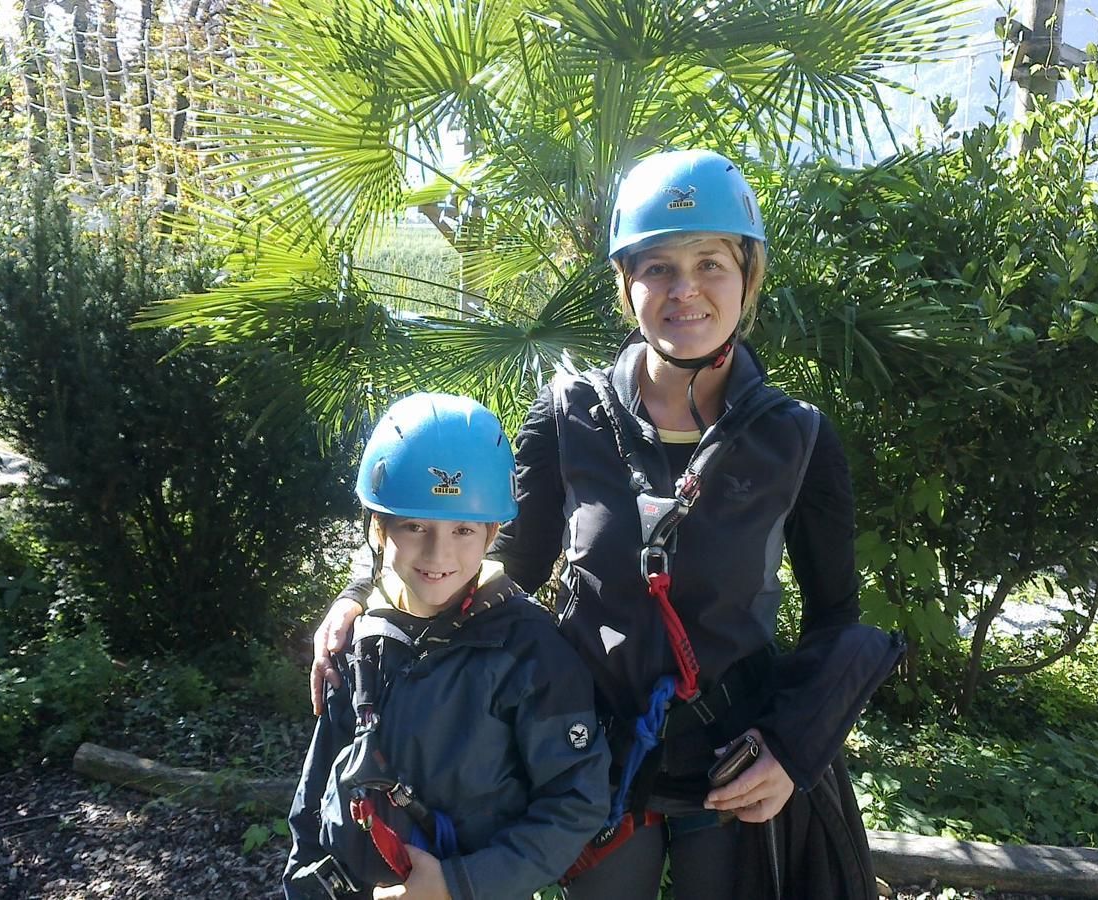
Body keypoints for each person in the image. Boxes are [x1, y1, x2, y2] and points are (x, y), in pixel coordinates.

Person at [312, 150, 903, 898]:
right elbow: (488, 558)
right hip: (588, 758)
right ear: (626, 285)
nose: (684, 290)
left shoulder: (797, 438)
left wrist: (792, 748)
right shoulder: (571, 418)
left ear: (748, 277)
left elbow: (835, 620)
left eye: (711, 263)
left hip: (732, 762)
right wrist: (360, 592)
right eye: (656, 266)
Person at [285, 392, 610, 900]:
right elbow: (317, 792)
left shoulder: (530, 653)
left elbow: (576, 801)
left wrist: (460, 884)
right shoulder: (360, 641)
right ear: (378, 527)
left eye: (463, 529)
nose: (439, 554)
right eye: (415, 526)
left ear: (491, 533)